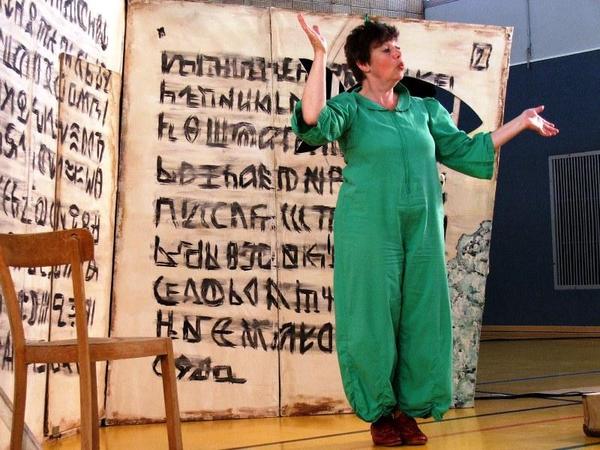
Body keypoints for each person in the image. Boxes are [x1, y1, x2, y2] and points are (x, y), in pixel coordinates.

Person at [291, 14, 558, 447]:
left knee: (421, 318)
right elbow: (313, 119)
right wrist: (320, 55)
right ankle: (380, 413)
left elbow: (466, 150)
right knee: (371, 320)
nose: (398, 55)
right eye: (387, 50)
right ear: (363, 64)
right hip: (368, 229)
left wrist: (521, 122)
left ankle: (406, 411)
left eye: (398, 48)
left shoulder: (424, 110)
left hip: (423, 230)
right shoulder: (349, 109)